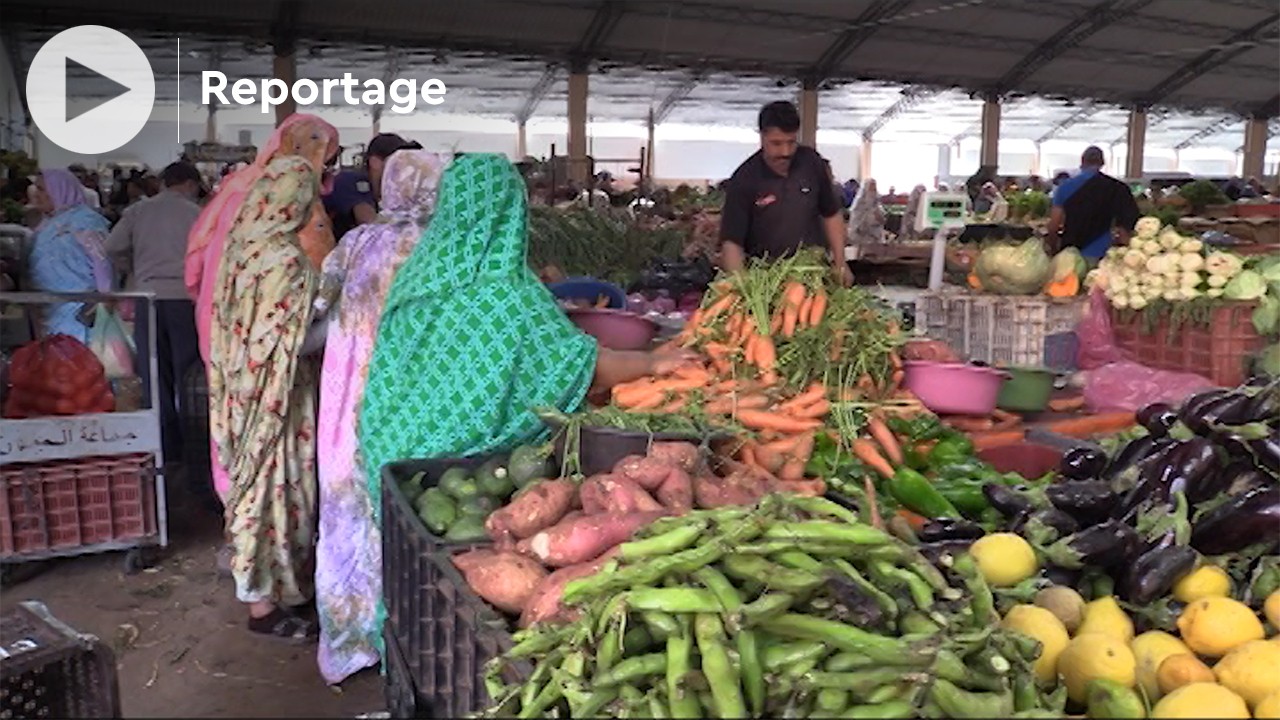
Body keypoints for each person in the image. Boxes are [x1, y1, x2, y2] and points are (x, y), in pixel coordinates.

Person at [360, 152, 695, 519]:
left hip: (392, 457)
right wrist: (654, 361)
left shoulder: (419, 275)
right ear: (514, 210)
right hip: (461, 479)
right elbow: (584, 368)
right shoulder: (509, 294)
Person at [314, 149, 452, 685]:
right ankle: (407, 641)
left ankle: (349, 643)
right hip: (411, 394)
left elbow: (315, 311)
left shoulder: (355, 242)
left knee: (347, 509)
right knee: (403, 508)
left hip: (348, 394)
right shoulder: (442, 248)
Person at [203, 124, 339, 642]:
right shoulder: (284, 261)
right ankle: (263, 607)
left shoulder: (242, 249)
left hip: (242, 394)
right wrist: (337, 318)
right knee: (273, 495)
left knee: (252, 489)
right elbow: (293, 342)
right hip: (279, 400)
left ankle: (270, 594)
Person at [186, 114, 339, 508]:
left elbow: (194, 261)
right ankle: (264, 523)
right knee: (275, 429)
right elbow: (308, 295)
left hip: (223, 318)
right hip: (278, 325)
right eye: (327, 155)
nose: (327, 166)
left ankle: (235, 503)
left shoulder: (240, 189)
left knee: (234, 417)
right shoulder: (295, 198)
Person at [106, 161, 204, 465]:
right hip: (185, 299)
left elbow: (112, 247)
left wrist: (134, 270)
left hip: (147, 299)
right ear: (189, 184)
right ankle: (194, 444)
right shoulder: (196, 214)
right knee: (188, 374)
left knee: (154, 372)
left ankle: (165, 445)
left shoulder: (139, 211)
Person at [718, 101, 851, 286]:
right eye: (776, 143)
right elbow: (732, 243)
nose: (785, 152)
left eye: (791, 142)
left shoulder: (812, 163)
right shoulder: (744, 179)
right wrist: (740, 285)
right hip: (766, 280)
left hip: (815, 276)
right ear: (762, 136)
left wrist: (840, 261)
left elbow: (831, 214)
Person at [28, 168, 113, 341]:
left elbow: (101, 261)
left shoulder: (85, 221)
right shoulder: (45, 225)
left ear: (59, 190)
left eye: (42, 189)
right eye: (36, 188)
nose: (36, 195)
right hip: (47, 310)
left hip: (78, 311)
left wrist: (106, 299)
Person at [1044, 146, 1140, 259]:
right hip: (1105, 253)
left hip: (1072, 253)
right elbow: (1126, 226)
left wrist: (1054, 250)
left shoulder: (1065, 187)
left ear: (1082, 162)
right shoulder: (1118, 188)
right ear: (1102, 163)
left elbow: (1054, 226)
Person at [325, 133, 423, 239]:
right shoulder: (352, 181)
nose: (401, 168)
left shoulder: (381, 190)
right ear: (375, 162)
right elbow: (368, 221)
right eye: (395, 162)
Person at [847, 179, 885, 246]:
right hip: (861, 238)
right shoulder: (858, 206)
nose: (873, 191)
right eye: (871, 188)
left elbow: (882, 220)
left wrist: (878, 216)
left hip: (876, 238)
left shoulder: (877, 205)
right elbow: (855, 224)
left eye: (874, 189)